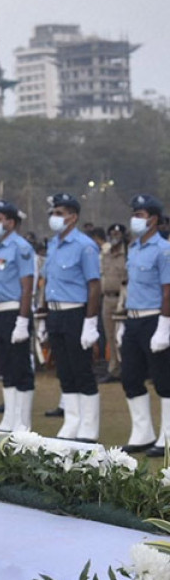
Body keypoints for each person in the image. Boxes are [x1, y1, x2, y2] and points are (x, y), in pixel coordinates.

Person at [39, 192, 102, 441]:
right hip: (55, 313)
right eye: (53, 213)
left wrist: (90, 322)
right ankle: (72, 421)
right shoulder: (53, 244)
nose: (54, 217)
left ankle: (89, 426)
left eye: (59, 213)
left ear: (73, 217)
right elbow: (49, 282)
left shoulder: (85, 245)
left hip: (76, 312)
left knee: (81, 370)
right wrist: (44, 316)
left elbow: (94, 285)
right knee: (64, 371)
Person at [117, 195, 170, 457]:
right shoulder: (135, 247)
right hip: (133, 319)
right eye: (134, 214)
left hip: (154, 318)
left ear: (154, 219)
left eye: (140, 215)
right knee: (130, 376)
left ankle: (167, 436)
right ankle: (143, 433)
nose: (135, 219)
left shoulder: (164, 249)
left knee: (163, 379)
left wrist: (164, 326)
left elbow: (168, 291)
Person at [0, 200, 37, 432]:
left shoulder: (21, 247)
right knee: (5, 366)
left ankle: (23, 421)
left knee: (20, 367)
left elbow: (27, 287)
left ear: (11, 222)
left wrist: (23, 321)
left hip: (14, 311)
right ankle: (10, 416)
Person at [99, 223, 128, 383]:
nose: (114, 236)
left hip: (123, 300)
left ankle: (130, 368)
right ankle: (114, 369)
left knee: (123, 336)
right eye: (111, 234)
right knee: (110, 336)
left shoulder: (128, 253)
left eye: (117, 234)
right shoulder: (105, 253)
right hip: (107, 299)